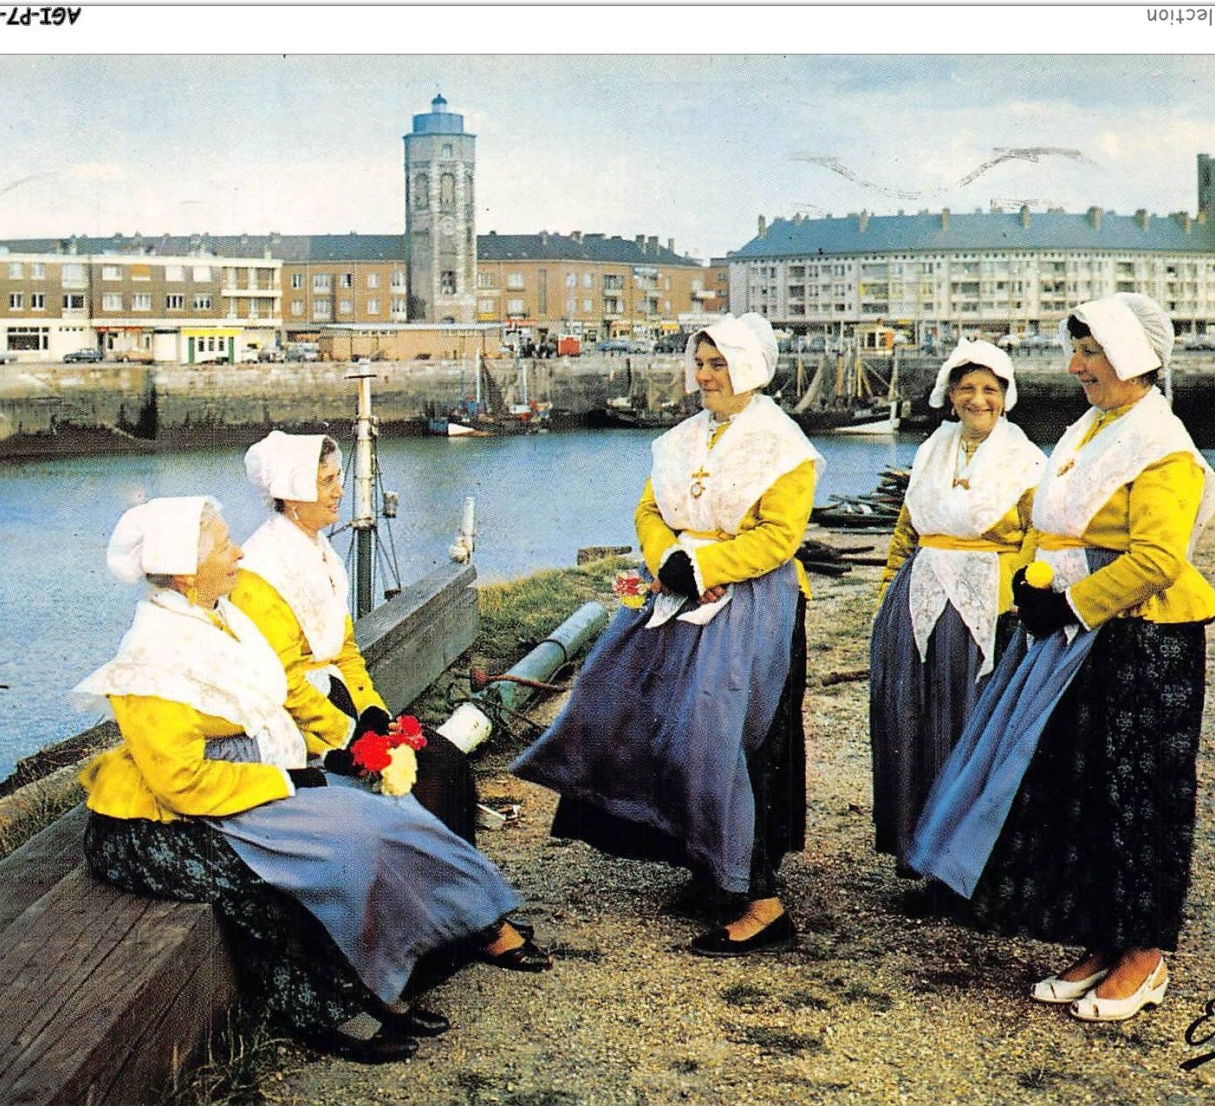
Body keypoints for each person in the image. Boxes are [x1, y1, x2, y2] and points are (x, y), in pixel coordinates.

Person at [73, 496, 544, 1066]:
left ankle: (420, 960)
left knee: (390, 816)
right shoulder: (151, 656)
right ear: (182, 569)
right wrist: (290, 780)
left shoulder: (219, 617)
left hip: (243, 789)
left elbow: (284, 697)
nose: (238, 551)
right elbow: (181, 783)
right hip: (162, 825)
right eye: (224, 545)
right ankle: (330, 1009)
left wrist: (339, 748)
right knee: (345, 850)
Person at [905, 293, 1215, 1022]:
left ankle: (1144, 954)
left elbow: (1156, 557)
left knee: (1138, 797)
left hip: (1140, 638)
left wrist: (1074, 602)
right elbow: (1043, 522)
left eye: (1089, 351)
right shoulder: (1092, 429)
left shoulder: (1162, 448)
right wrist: (1028, 581)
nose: (1075, 364)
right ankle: (1101, 938)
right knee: (1080, 794)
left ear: (1132, 359)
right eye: (1076, 349)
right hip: (1073, 639)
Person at [511, 313, 820, 956]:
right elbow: (650, 509)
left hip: (750, 601)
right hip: (674, 589)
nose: (705, 376)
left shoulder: (783, 447)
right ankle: (709, 864)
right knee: (627, 708)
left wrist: (703, 564)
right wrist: (667, 559)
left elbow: (780, 537)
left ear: (751, 370)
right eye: (700, 363)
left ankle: (761, 901)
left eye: (719, 365)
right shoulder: (681, 439)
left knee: (718, 741)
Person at [228, 430, 488, 852]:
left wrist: (373, 712)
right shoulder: (259, 572)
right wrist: (350, 735)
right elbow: (285, 681)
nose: (340, 491)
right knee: (428, 780)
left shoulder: (320, 554)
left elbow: (345, 650)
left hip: (340, 702)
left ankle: (460, 896)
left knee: (447, 761)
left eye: (338, 478)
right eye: (327, 482)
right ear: (292, 496)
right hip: (299, 724)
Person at [870, 339, 1045, 872]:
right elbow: (908, 531)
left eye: (990, 389)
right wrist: (886, 599)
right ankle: (919, 851)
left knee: (971, 723)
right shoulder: (932, 451)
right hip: (920, 594)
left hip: (988, 605)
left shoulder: (1026, 460)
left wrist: (1016, 595)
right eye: (967, 388)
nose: (978, 399)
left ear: (1006, 396)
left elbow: (1039, 536)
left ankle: (972, 864)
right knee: (910, 721)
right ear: (950, 394)